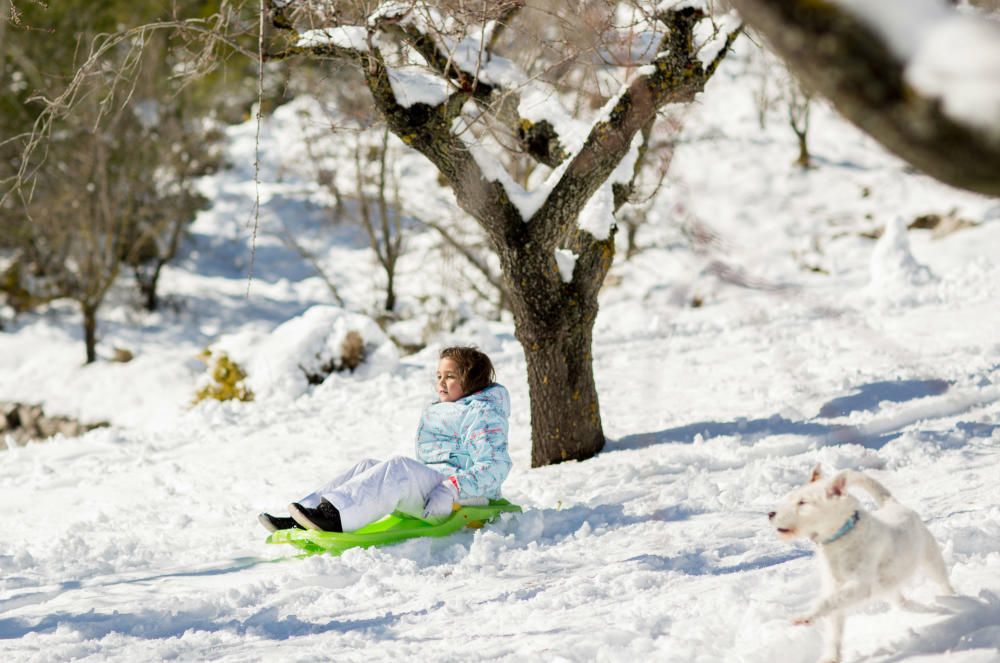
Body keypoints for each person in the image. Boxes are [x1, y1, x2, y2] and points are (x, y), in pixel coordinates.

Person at [258, 346, 512, 533]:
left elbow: (495, 467)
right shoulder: (446, 409)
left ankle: (334, 518)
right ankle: (305, 516)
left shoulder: (484, 414)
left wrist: (451, 489)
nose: (441, 383)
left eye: (450, 376)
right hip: (440, 484)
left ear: (471, 380)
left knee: (399, 467)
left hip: (464, 495)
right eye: (438, 376)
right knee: (367, 465)